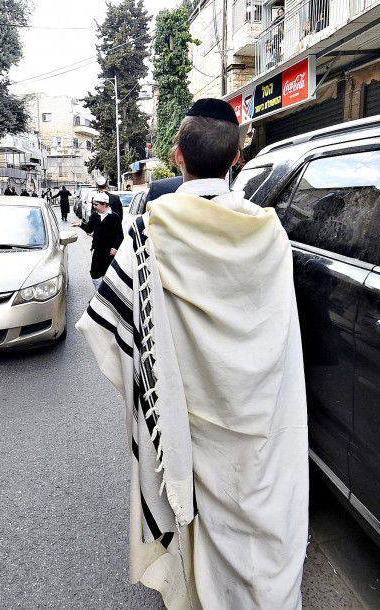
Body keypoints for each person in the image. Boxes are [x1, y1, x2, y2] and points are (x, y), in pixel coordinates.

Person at [76, 98, 307, 609]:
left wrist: (159, 389)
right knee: (258, 519)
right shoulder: (270, 233)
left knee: (197, 523)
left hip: (187, 416)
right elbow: (280, 332)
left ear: (178, 157)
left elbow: (107, 327)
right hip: (259, 418)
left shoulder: (149, 229)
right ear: (237, 159)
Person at [71, 192, 123, 289]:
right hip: (97, 249)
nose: (94, 207)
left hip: (110, 251)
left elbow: (120, 235)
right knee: (94, 273)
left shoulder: (114, 217)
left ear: (104, 204)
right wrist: (81, 224)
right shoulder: (95, 216)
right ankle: (99, 294)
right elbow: (89, 229)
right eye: (93, 204)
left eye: (96, 204)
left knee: (108, 273)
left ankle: (106, 295)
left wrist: (115, 248)